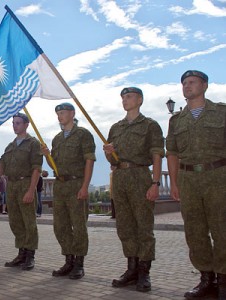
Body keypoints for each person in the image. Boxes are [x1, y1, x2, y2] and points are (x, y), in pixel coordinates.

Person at [166, 70, 226, 300]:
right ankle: (206, 279)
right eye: (184, 83)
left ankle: (223, 281)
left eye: (192, 82)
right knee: (195, 231)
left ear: (205, 85)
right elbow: (172, 152)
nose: (187, 86)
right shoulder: (176, 120)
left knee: (222, 229)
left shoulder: (221, 112)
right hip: (189, 179)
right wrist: (174, 182)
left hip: (218, 176)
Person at [103, 87, 164, 292]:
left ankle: (144, 272)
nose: (124, 100)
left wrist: (155, 183)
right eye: (122, 97)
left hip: (140, 176)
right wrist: (109, 153)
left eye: (128, 97)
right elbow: (111, 161)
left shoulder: (150, 126)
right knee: (125, 226)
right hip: (120, 177)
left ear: (139, 100)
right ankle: (131, 269)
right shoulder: (116, 127)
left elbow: (157, 155)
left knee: (143, 226)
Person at [42, 103, 96, 280]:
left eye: (63, 113)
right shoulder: (57, 139)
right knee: (61, 225)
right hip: (60, 185)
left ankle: (79, 264)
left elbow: (89, 161)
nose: (60, 116)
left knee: (79, 225)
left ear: (72, 114)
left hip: (76, 183)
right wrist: (47, 156)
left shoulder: (83, 135)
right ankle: (69, 260)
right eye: (58, 113)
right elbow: (54, 167)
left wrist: (85, 186)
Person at [0, 113, 43, 271]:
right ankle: (21, 253)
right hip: (11, 186)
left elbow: (37, 169)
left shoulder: (33, 144)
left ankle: (30, 256)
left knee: (29, 222)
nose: (15, 125)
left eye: (18, 123)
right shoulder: (10, 146)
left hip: (25, 183)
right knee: (15, 222)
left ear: (26, 125)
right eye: (13, 123)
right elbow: (1, 169)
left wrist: (31, 190)